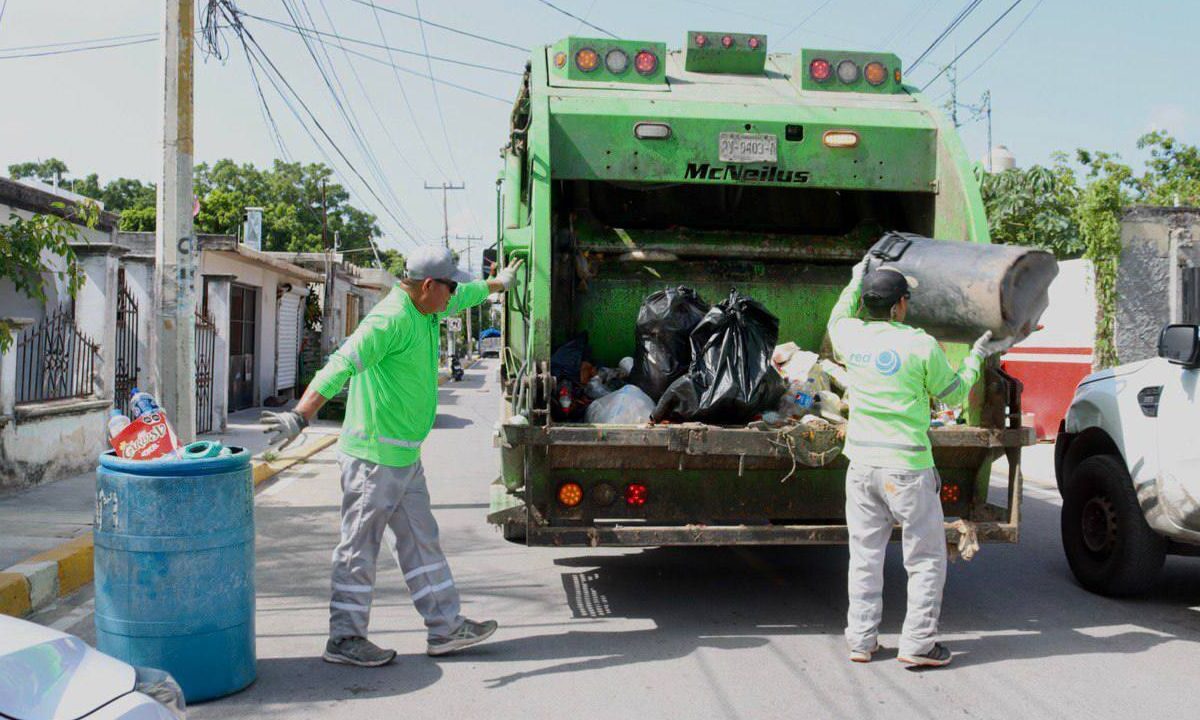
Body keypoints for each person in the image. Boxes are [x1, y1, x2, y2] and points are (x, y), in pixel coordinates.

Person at [261, 246, 523, 667]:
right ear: (427, 285)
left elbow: (470, 293)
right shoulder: (389, 319)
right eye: (448, 286)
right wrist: (299, 416)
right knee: (359, 548)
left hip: (403, 456)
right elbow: (340, 364)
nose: (453, 294)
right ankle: (345, 639)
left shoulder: (429, 305)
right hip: (372, 458)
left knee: (421, 541)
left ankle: (444, 627)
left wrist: (498, 285)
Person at [827, 257, 1014, 668]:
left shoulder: (849, 336)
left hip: (861, 465)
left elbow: (839, 314)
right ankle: (918, 644)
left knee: (865, 555)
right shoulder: (919, 344)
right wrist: (976, 357)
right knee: (925, 558)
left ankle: (861, 640)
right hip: (907, 469)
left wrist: (854, 279)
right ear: (898, 306)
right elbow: (950, 395)